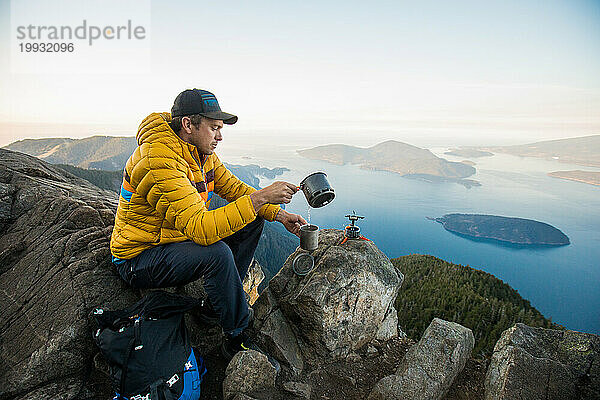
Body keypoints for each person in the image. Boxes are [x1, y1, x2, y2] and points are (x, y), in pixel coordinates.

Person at [110, 88, 307, 362]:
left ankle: (215, 308)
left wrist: (278, 214)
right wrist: (262, 196)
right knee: (217, 254)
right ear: (189, 125)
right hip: (138, 257)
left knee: (253, 219)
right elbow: (201, 229)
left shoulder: (199, 153)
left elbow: (234, 188)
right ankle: (236, 337)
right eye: (214, 128)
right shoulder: (158, 161)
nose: (220, 136)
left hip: (171, 240)